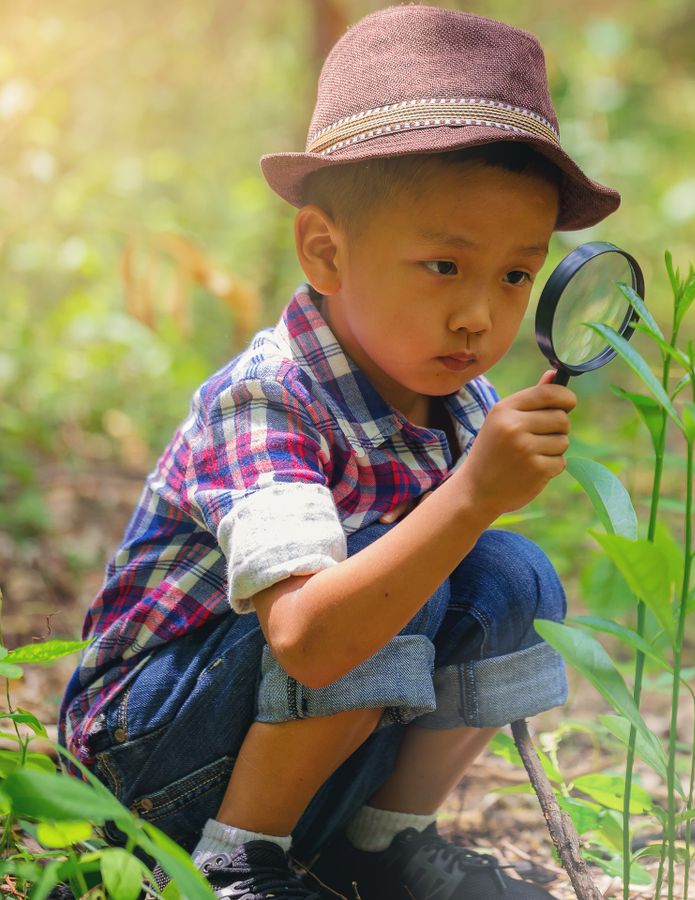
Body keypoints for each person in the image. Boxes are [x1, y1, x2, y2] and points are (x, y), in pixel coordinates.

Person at [57, 5, 622, 898]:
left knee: (516, 576)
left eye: (516, 274)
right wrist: (472, 493)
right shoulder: (267, 398)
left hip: (304, 745)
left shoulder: (454, 400)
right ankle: (238, 866)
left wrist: (478, 497)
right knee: (393, 573)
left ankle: (381, 845)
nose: (480, 314)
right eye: (445, 265)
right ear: (325, 251)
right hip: (151, 763)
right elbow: (309, 640)